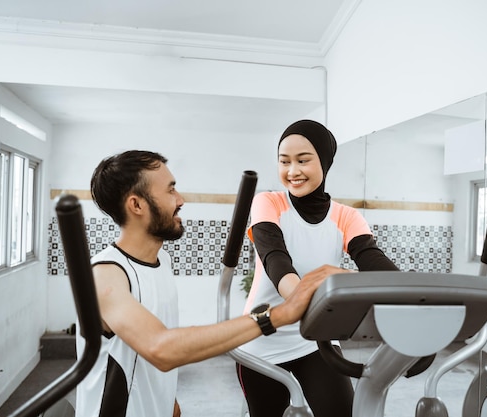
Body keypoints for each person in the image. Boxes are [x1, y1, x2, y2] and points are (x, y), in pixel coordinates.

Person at [76, 150, 342, 417]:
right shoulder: (106, 275)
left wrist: (166, 397)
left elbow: (144, 351)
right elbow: (160, 347)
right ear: (137, 205)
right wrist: (277, 315)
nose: (180, 200)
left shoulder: (161, 262)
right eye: (170, 191)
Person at [236, 120, 401, 417]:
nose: (292, 171)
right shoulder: (268, 203)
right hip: (262, 344)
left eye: (303, 160)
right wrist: (312, 296)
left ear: (324, 162)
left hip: (316, 341)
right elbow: (276, 262)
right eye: (284, 161)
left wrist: (414, 302)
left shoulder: (346, 217)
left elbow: (375, 263)